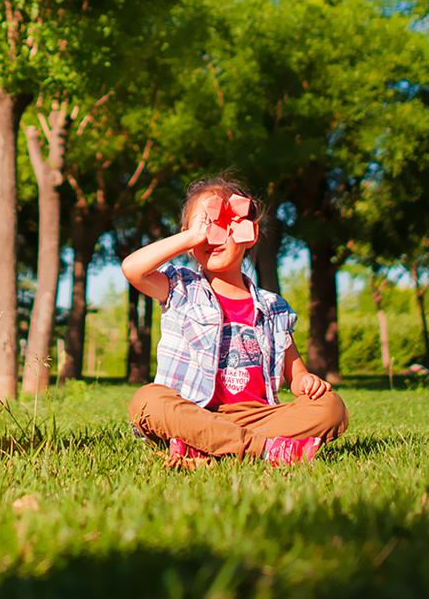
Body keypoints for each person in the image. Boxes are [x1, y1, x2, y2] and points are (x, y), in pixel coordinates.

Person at [121, 176, 348, 466]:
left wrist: (307, 383)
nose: (212, 235)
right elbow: (133, 269)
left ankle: (207, 446)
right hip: (195, 411)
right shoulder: (180, 288)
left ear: (247, 233)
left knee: (331, 408)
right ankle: (264, 450)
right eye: (204, 225)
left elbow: (297, 375)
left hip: (258, 416)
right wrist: (192, 236)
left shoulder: (273, 307)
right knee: (147, 401)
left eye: (224, 226)